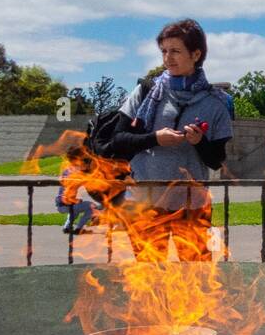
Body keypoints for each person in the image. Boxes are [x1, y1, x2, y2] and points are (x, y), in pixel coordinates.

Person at [104, 19, 233, 261]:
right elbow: (118, 141)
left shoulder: (217, 102)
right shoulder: (145, 92)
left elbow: (217, 161)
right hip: (146, 201)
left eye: (175, 51)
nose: (167, 58)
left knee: (196, 275)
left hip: (192, 204)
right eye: (164, 51)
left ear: (196, 54)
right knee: (149, 275)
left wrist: (199, 143)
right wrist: (155, 139)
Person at [56, 146, 97, 235]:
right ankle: (79, 229)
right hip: (64, 204)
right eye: (86, 161)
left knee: (76, 209)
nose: (87, 164)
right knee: (91, 206)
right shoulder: (76, 173)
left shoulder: (68, 169)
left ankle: (66, 228)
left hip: (61, 204)